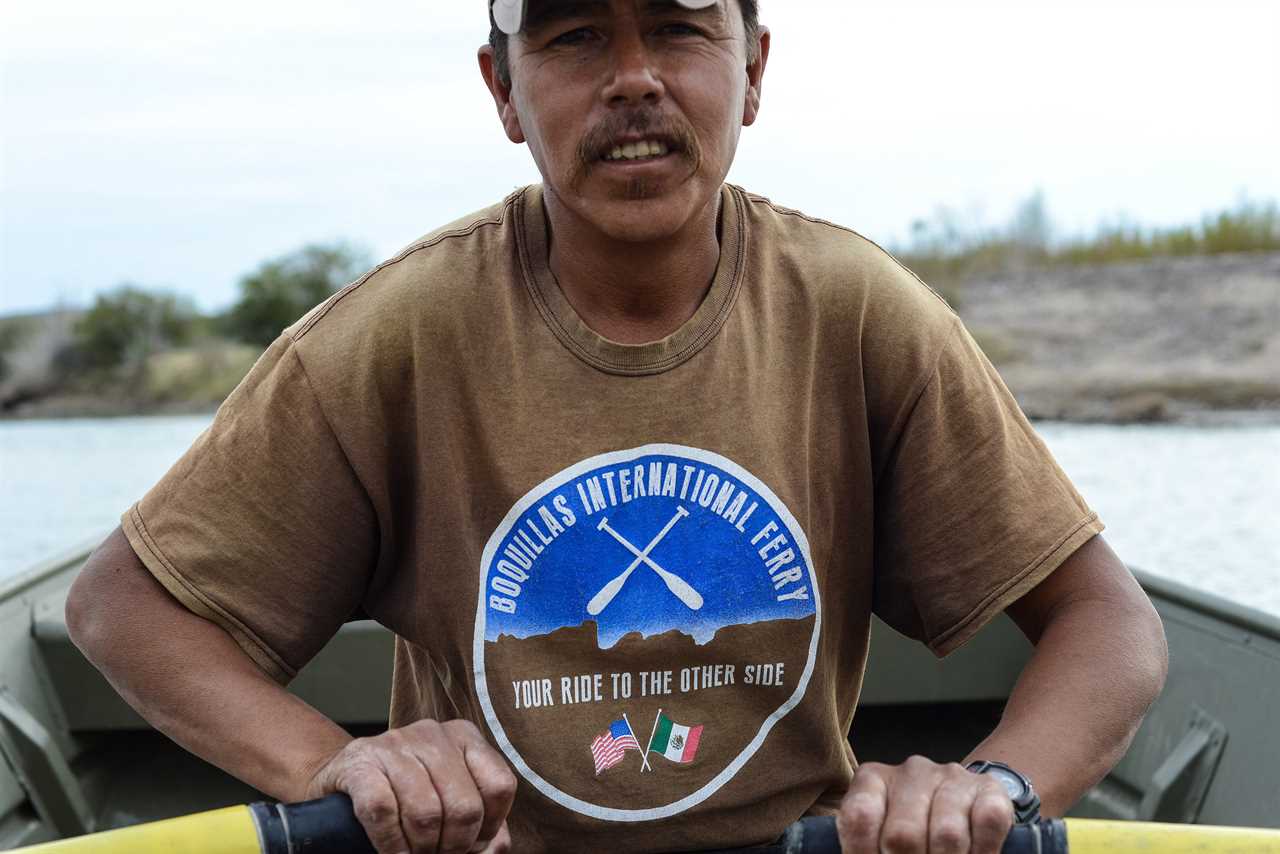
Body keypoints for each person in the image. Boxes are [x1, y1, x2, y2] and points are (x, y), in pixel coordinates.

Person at [64, 1, 1169, 852]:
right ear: (502, 91)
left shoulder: (856, 312)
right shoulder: (397, 333)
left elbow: (1107, 624)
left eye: (679, 29)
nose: (633, 78)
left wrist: (991, 788)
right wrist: (335, 763)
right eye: (576, 36)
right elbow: (125, 604)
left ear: (751, 70)